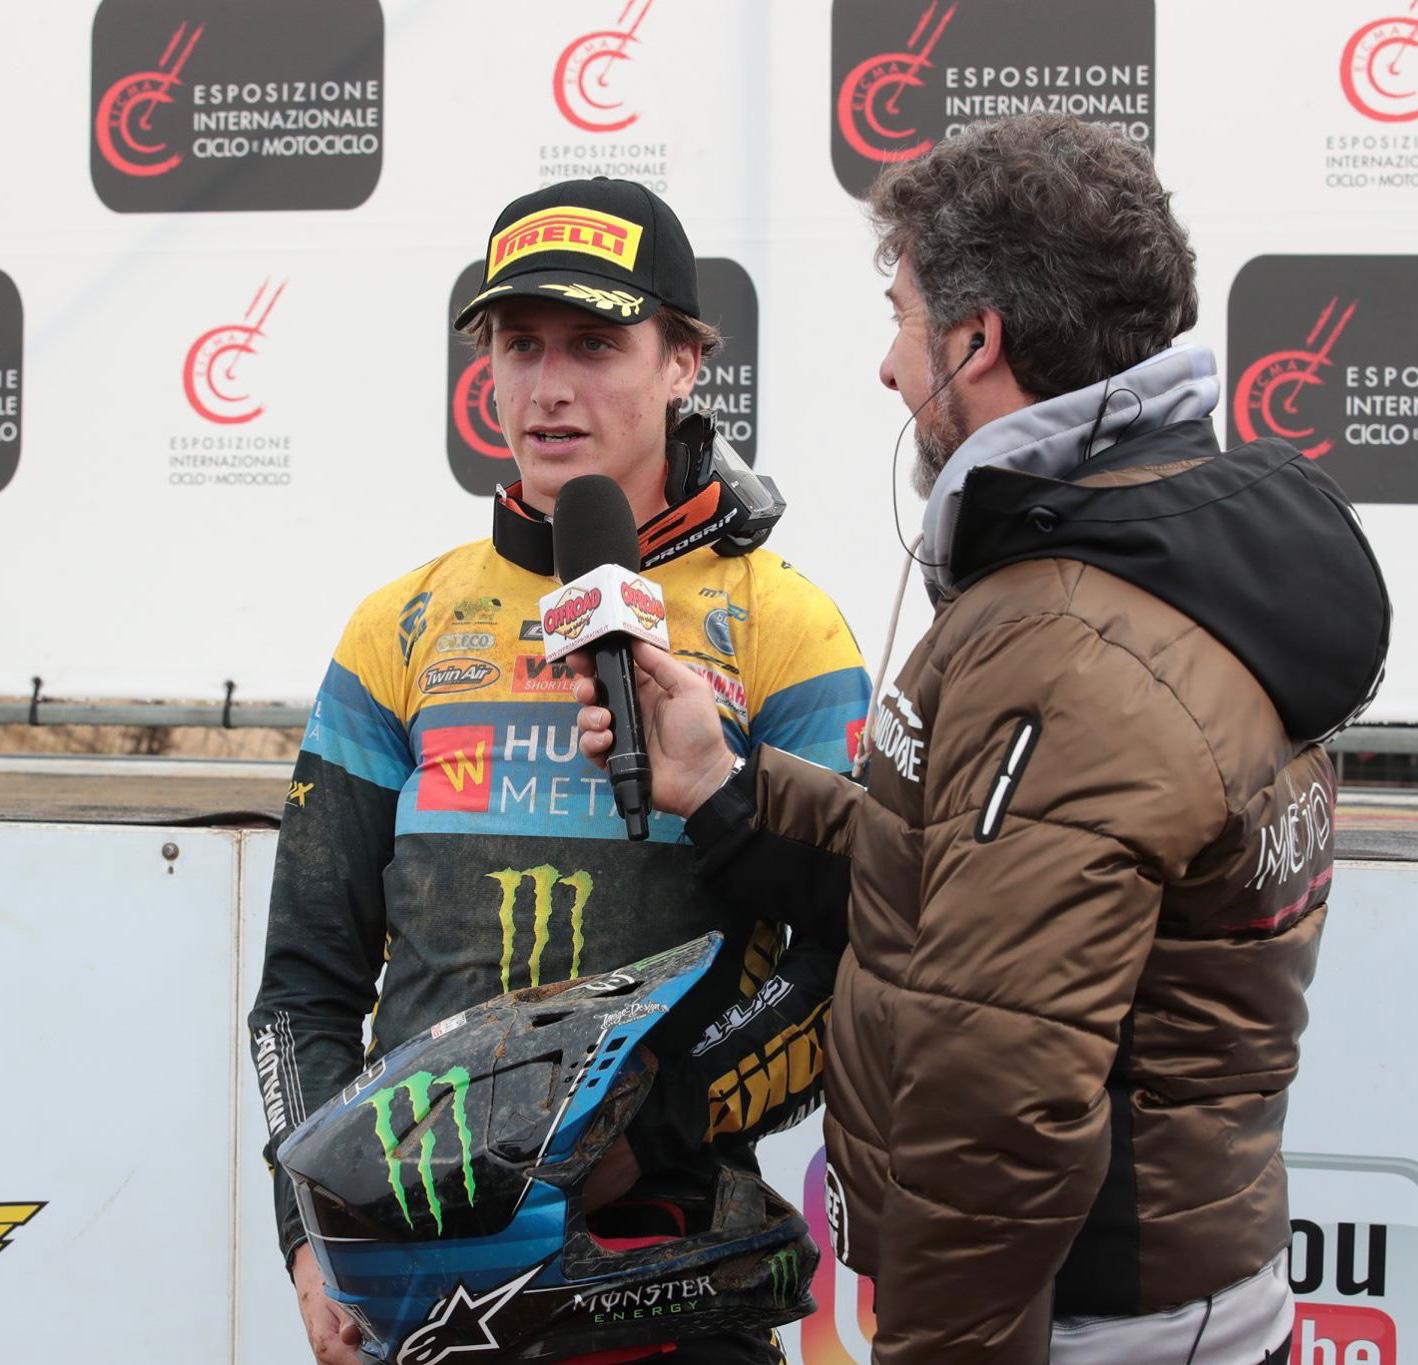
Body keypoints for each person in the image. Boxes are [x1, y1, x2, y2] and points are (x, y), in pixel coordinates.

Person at [574, 117, 1390, 1363]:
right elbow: (959, 895)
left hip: (1087, 1329)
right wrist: (724, 786)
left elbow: (995, 1109)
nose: (885, 368)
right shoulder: (1142, 553)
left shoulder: (1066, 638)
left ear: (974, 342)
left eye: (901, 319)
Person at [249, 176, 870, 1365]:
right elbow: (304, 987)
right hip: (421, 1288)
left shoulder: (784, 625)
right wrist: (311, 1231)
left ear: (684, 362)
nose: (548, 385)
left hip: (663, 1270)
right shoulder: (401, 625)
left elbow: (850, 952)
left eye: (594, 344)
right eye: (518, 343)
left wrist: (650, 1126)